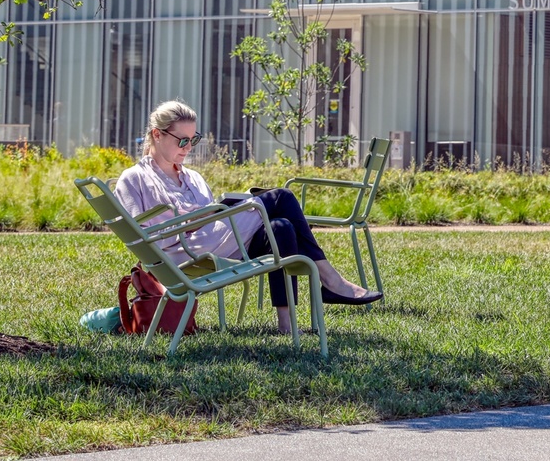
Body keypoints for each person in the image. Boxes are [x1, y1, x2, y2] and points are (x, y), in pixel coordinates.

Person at [114, 100, 380, 335]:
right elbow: (141, 235)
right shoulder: (135, 178)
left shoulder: (192, 177)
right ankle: (331, 281)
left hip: (214, 241)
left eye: (193, 140)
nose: (188, 148)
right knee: (281, 198)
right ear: (157, 135)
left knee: (281, 227)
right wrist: (187, 221)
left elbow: (210, 215)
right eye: (181, 140)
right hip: (182, 252)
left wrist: (214, 212)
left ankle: (286, 324)